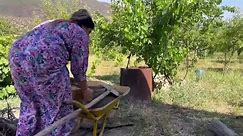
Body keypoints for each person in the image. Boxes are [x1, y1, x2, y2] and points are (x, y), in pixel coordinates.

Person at [8, 9, 94, 136]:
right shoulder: (79, 32)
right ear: (84, 26)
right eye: (89, 32)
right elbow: (79, 70)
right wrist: (85, 91)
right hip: (41, 61)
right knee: (58, 107)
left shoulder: (53, 23)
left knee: (30, 104)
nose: (88, 35)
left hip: (16, 58)